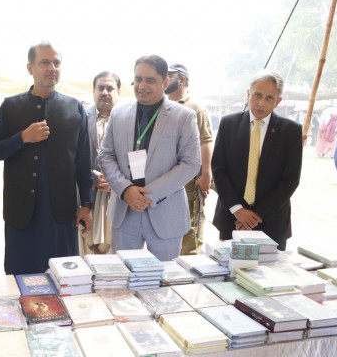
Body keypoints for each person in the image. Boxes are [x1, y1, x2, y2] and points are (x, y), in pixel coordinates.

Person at [0, 41, 92, 275]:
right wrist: (22, 137)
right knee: (20, 278)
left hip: (60, 214)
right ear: (30, 68)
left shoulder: (74, 108)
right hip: (21, 213)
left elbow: (83, 161)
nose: (51, 68)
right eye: (44, 62)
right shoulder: (11, 106)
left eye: (56, 63)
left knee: (64, 277)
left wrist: (86, 204)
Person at [97, 55, 201, 261]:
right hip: (124, 211)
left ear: (165, 83)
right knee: (124, 278)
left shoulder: (184, 116)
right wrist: (126, 190)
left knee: (163, 281)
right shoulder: (118, 114)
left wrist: (147, 195)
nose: (142, 86)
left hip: (165, 211)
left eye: (150, 80)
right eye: (138, 79)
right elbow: (106, 155)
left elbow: (191, 163)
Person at [212, 70, 302, 251]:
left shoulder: (291, 131)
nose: (261, 103)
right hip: (232, 219)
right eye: (257, 95)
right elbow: (219, 170)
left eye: (269, 98)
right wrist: (238, 210)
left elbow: (290, 179)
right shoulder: (228, 124)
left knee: (270, 277)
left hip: (272, 221)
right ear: (248, 94)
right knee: (230, 275)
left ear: (278, 102)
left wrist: (256, 217)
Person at [165, 63, 213, 255]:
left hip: (190, 182)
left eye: (170, 75)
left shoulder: (196, 108)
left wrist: (206, 174)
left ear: (182, 80)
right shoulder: (163, 105)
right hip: (167, 180)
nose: (165, 79)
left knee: (190, 229)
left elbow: (206, 142)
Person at [78, 71, 121, 256]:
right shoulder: (79, 118)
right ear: (93, 91)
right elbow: (71, 158)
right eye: (100, 88)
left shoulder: (129, 120)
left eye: (110, 88)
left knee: (114, 254)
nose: (105, 92)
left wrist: (117, 182)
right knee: (85, 252)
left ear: (118, 91)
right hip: (86, 198)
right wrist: (90, 179)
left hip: (118, 198)